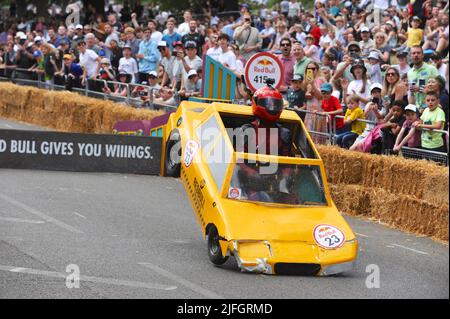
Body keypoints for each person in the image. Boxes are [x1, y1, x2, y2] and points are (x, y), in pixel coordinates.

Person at [407, 45, 439, 111]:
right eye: (413, 53)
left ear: (422, 55)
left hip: (430, 106)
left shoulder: (431, 69)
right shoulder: (409, 73)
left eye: (418, 53)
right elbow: (411, 94)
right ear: (410, 56)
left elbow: (438, 88)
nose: (416, 55)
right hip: (417, 108)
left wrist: (420, 88)